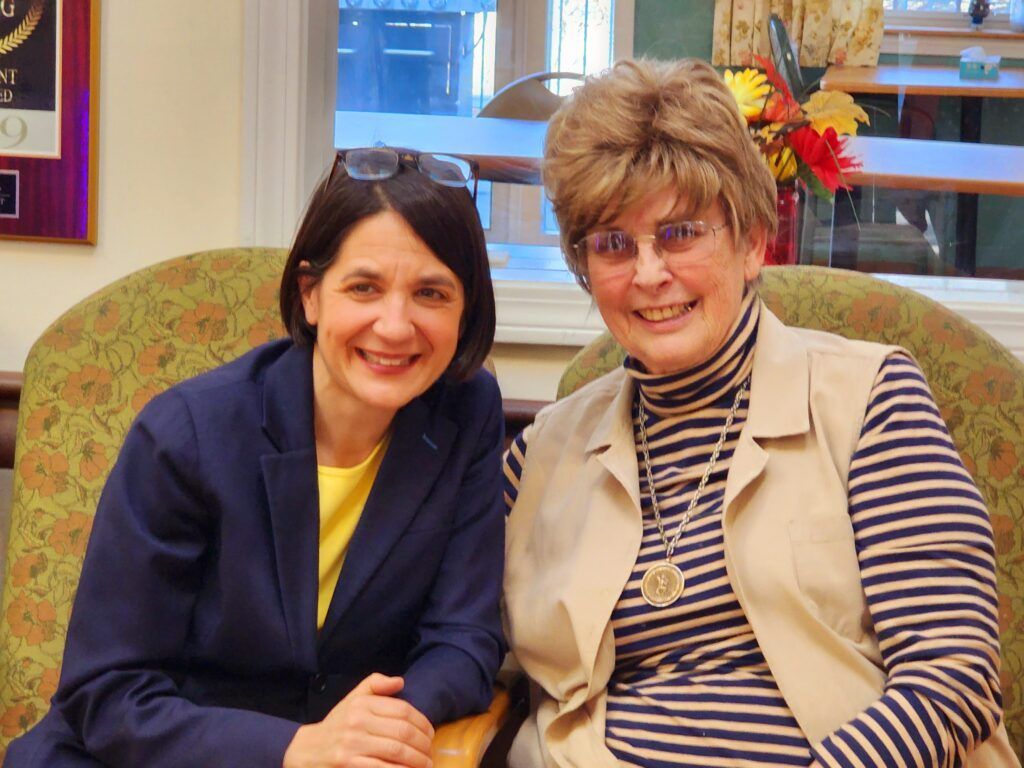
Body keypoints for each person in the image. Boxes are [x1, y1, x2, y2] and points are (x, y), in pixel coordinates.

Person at [502, 59, 1019, 767]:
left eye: (681, 233)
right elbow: (447, 640)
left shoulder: (869, 401)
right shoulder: (540, 456)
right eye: (614, 244)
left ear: (750, 242)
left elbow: (952, 676)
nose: (649, 273)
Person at [6, 146, 506, 768]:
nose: (396, 325)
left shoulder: (467, 412)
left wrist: (377, 726)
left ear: (466, 310)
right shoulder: (186, 435)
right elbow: (105, 694)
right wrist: (295, 746)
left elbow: (465, 639)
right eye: (364, 287)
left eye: (432, 293)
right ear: (311, 295)